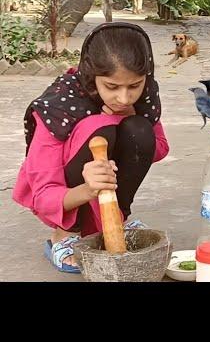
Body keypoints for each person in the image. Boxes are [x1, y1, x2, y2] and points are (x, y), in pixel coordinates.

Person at [13, 22, 170, 273]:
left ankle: (116, 221)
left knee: (139, 129)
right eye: (111, 86)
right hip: (66, 191)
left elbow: (158, 147)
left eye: (134, 86)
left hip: (106, 183)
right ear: (90, 75)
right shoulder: (58, 105)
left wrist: (127, 118)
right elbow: (43, 195)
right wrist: (87, 189)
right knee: (98, 127)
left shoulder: (145, 95)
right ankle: (64, 235)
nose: (124, 98)